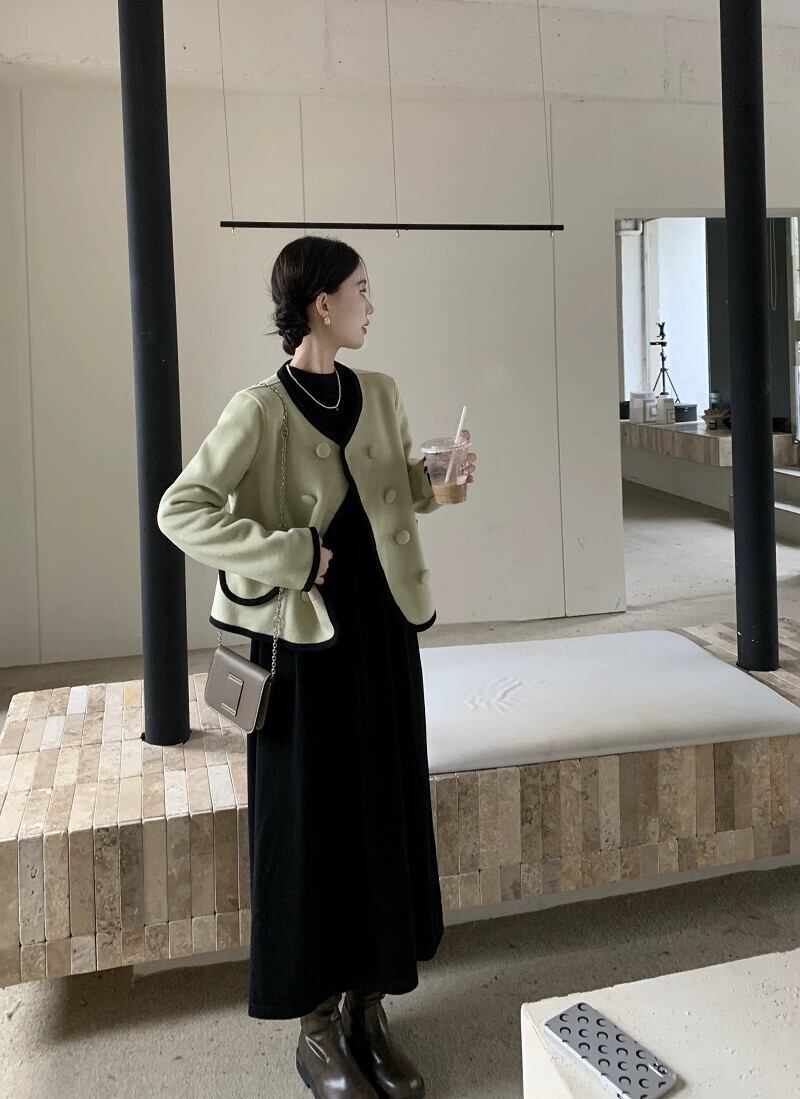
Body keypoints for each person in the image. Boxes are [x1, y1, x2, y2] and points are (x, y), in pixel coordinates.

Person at [158, 235, 477, 1099]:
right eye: (361, 289)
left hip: (381, 633)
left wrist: (441, 479)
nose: (372, 304)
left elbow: (393, 492)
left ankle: (370, 1009)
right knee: (308, 828)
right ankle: (315, 1027)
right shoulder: (259, 409)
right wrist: (289, 553)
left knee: (382, 812)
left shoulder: (382, 391)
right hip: (303, 646)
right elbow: (181, 509)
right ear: (322, 305)